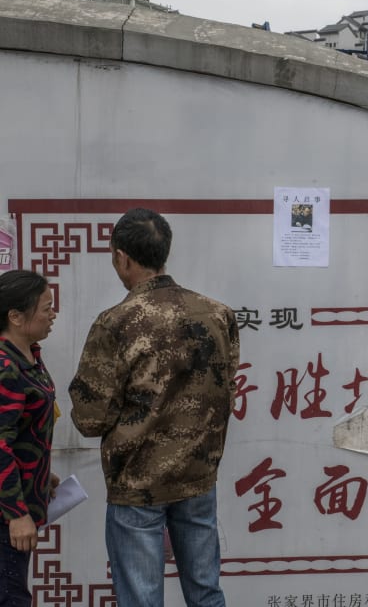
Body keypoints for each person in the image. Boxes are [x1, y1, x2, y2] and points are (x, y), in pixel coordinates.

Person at [69, 208, 240, 607]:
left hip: (137, 487)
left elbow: (91, 418)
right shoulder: (218, 314)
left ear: (121, 257)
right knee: (206, 593)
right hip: (198, 478)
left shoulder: (116, 323)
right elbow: (225, 384)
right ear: (164, 252)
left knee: (142, 600)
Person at [0, 270, 60, 606]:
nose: (52, 314)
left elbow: (23, 431)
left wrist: (40, 472)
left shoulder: (30, 359)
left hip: (23, 500)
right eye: (46, 308)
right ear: (16, 316)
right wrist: (16, 513)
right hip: (7, 516)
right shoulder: (5, 366)